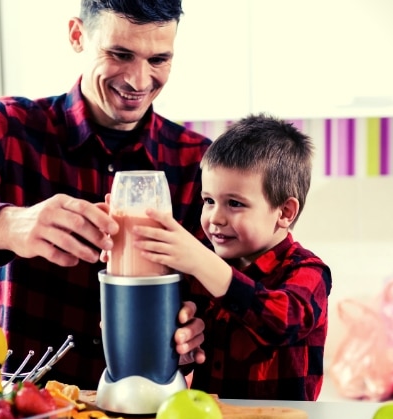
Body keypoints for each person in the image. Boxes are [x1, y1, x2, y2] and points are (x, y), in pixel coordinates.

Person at [0, 0, 209, 389]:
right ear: (78, 35)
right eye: (120, 54)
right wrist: (8, 225)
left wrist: (197, 327)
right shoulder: (8, 129)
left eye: (159, 60)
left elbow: (231, 292)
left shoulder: (198, 162)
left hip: (149, 411)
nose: (139, 80)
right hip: (18, 409)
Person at [132, 113, 332, 400]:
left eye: (234, 204)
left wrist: (203, 262)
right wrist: (181, 344)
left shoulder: (308, 271)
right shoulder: (203, 273)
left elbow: (282, 323)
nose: (215, 217)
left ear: (285, 212)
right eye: (209, 201)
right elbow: (184, 348)